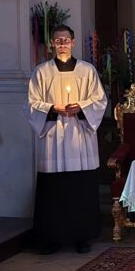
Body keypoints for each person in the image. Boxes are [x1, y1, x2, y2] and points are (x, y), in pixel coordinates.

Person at [28, 25, 109, 255]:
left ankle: (81, 237)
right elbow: (32, 104)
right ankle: (51, 237)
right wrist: (53, 108)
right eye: (58, 40)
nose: (62, 44)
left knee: (79, 189)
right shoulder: (41, 72)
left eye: (66, 40)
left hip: (79, 136)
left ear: (73, 43)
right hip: (53, 137)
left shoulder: (87, 70)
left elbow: (99, 101)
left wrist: (80, 107)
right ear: (52, 44)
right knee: (54, 190)